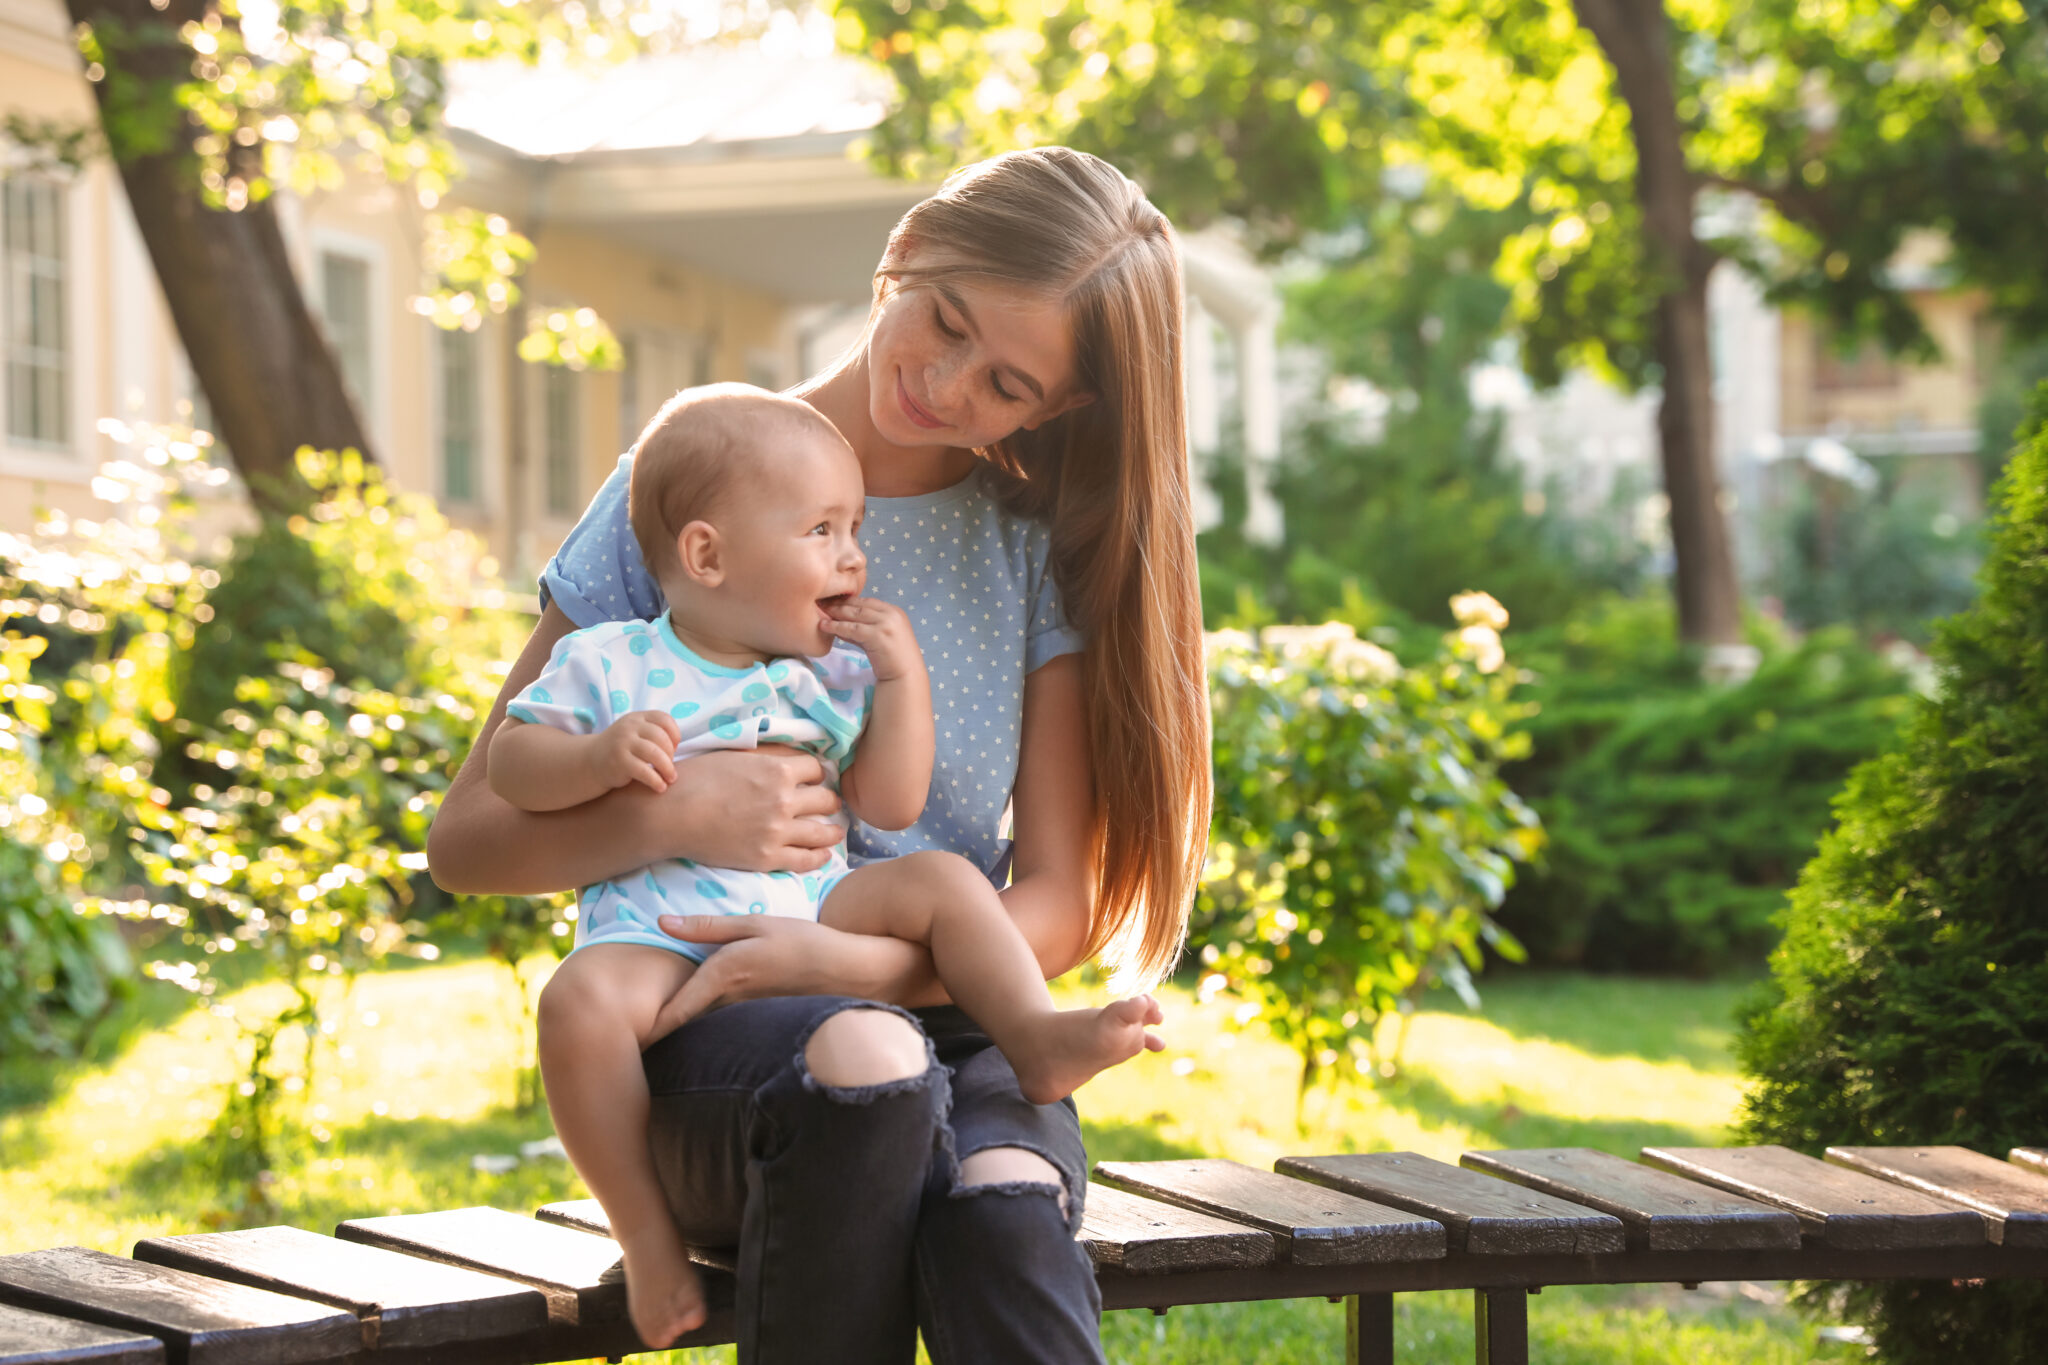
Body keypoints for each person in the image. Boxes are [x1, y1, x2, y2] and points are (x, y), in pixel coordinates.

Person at [427, 145, 1211, 1365]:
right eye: (943, 323)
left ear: (1056, 411)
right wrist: (670, 819)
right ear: (902, 252)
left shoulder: (1026, 548)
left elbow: (1055, 900)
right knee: (866, 1069)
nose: (948, 386)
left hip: (959, 1011)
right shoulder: (692, 486)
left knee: (1002, 1203)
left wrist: (845, 956)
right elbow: (465, 841)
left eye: (1007, 384)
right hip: (720, 1031)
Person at [485, 383, 1167, 1346]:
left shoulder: (819, 678)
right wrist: (607, 767)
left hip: (814, 903)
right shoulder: (613, 663)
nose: (853, 554)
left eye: (854, 527)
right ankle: (643, 1235)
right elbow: (509, 767)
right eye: (823, 530)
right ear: (706, 554)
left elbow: (889, 804)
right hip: (663, 931)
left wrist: (903, 679)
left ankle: (1035, 1033)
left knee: (941, 881)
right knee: (576, 1006)